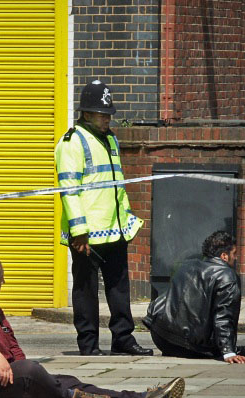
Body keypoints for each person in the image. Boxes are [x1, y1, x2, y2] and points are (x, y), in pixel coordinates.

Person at [0, 255, 184, 398]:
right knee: (36, 374)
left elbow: (14, 348)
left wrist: (16, 363)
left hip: (7, 380)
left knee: (65, 380)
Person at [55, 79, 152, 357]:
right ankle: (88, 344)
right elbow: (69, 191)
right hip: (87, 232)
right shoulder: (71, 142)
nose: (107, 118)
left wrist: (127, 221)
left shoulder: (110, 139)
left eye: (109, 114)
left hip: (114, 228)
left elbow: (116, 185)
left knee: (119, 287)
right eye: (102, 113)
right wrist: (79, 231)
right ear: (86, 113)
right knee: (85, 291)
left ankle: (123, 339)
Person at [143, 231, 245, 363]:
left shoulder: (186, 265)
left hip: (162, 337)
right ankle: (230, 349)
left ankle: (230, 349)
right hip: (188, 346)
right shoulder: (226, 275)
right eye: (234, 254)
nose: (236, 258)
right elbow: (223, 315)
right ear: (224, 256)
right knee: (224, 347)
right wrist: (228, 351)